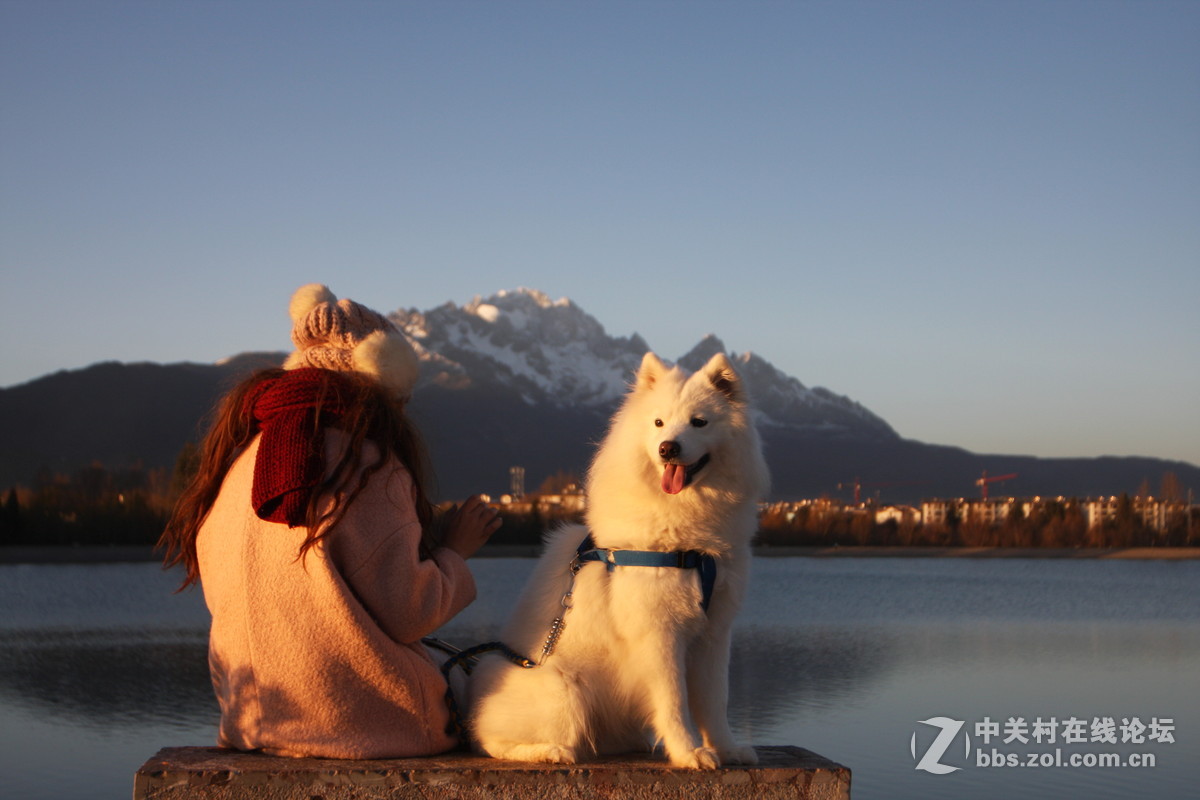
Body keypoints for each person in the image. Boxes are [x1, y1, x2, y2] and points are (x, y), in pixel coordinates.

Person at [159, 283, 500, 759]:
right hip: (363, 725)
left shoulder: (238, 461)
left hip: (254, 722)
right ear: (385, 379)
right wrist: (453, 552)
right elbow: (409, 611)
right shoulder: (365, 463)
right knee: (497, 684)